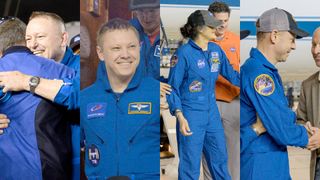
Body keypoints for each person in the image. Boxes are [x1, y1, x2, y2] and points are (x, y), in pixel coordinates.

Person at [0, 11, 80, 180]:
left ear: (63, 39)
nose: (33, 45)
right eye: (28, 39)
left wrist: (27, 81)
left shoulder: (78, 68)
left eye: (40, 37)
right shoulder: (17, 70)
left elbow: (78, 95)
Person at [80, 18, 160, 179]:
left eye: (131, 47)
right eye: (116, 48)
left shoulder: (159, 93)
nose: (125, 55)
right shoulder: (84, 99)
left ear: (140, 48)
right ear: (101, 53)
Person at [240, 8, 313, 179]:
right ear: (274, 36)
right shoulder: (260, 75)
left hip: (270, 163)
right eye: (292, 39)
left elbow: (281, 118)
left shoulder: (265, 72)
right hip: (262, 168)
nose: (294, 46)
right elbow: (281, 128)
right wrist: (308, 136)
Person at [167, 10, 239, 180]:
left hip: (211, 112)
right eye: (212, 25)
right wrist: (180, 115)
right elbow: (173, 88)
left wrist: (251, 82)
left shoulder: (216, 50)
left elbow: (233, 76)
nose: (218, 27)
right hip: (191, 114)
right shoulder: (183, 54)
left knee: (220, 160)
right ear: (199, 29)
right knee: (190, 166)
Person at [202, 2, 240, 180]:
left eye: (226, 20)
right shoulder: (201, 41)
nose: (223, 25)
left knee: (233, 151)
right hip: (209, 104)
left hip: (233, 103)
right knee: (210, 150)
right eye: (219, 21)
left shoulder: (235, 41)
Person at [296, 27, 320, 180]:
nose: (316, 50)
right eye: (314, 44)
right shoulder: (307, 85)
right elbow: (300, 120)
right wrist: (306, 130)